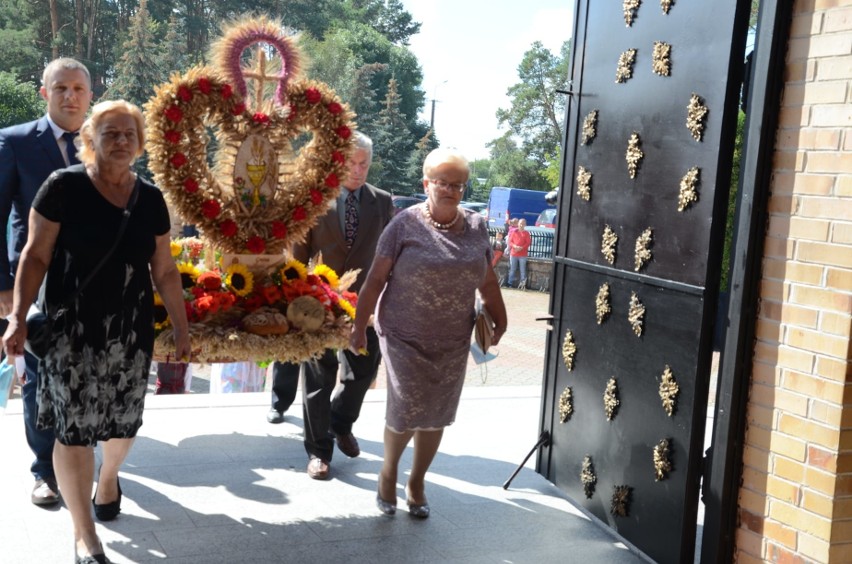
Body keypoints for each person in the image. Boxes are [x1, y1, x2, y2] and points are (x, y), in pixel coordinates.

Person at [2, 100, 190, 563]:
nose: (121, 141)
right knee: (74, 430)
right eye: (110, 133)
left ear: (141, 142)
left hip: (130, 332)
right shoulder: (62, 187)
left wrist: (182, 329)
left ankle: (108, 479)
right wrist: (17, 316)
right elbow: (35, 255)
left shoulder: (150, 199)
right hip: (72, 332)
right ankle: (85, 536)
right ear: (91, 139)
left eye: (129, 133)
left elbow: (164, 269)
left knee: (123, 425)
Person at [349, 147, 507, 518]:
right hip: (403, 334)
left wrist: (500, 316)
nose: (451, 190)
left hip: (452, 336)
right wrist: (359, 326)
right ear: (426, 184)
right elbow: (374, 281)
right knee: (406, 407)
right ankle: (388, 474)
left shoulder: (477, 226)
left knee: (437, 411)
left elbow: (486, 279)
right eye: (442, 183)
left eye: (458, 185)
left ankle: (417, 480)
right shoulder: (403, 225)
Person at [270, 131, 394, 480]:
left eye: (364, 164)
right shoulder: (314, 201)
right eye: (351, 163)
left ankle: (340, 421)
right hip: (319, 301)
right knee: (318, 375)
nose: (357, 170)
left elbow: (391, 252)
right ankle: (319, 452)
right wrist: (297, 296)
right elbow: (297, 254)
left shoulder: (382, 202)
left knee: (364, 370)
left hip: (364, 305)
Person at [0, 57, 93, 507]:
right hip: (34, 277)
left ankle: (83, 459)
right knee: (38, 374)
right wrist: (4, 285)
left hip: (93, 280)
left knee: (90, 369)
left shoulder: (105, 139)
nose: (70, 96)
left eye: (78, 88)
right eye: (61, 88)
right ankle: (44, 471)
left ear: (90, 96)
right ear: (45, 93)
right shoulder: (15, 142)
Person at [507, 218, 532, 288]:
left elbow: (528, 243)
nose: (521, 225)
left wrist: (521, 248)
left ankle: (522, 284)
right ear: (518, 224)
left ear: (525, 225)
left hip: (522, 254)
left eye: (523, 224)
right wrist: (515, 246)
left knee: (522, 270)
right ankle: (510, 283)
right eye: (520, 223)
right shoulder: (514, 232)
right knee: (512, 269)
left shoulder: (526, 233)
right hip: (513, 253)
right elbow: (510, 241)